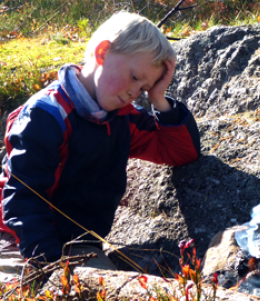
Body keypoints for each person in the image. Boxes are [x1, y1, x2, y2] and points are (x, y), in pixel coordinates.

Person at [0, 11, 200, 279]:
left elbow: (179, 152)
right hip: (18, 241)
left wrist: (159, 98)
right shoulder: (47, 114)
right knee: (21, 300)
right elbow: (23, 201)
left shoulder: (122, 118)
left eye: (143, 88)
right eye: (134, 77)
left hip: (79, 244)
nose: (134, 92)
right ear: (103, 52)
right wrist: (52, 269)